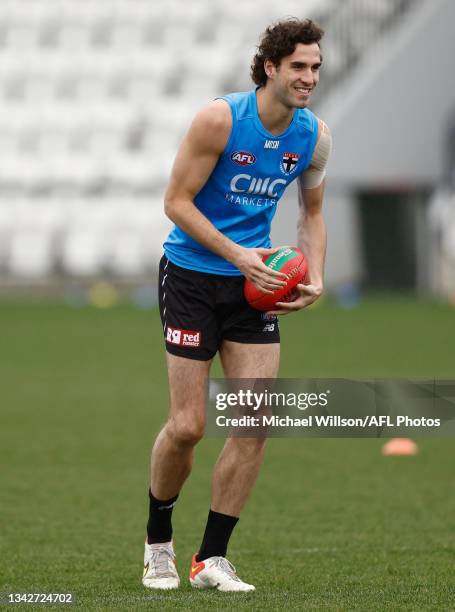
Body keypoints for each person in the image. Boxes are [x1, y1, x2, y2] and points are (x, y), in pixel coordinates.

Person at [142, 18, 332, 592]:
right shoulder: (220, 119)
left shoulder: (314, 136)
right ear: (270, 67)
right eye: (298, 66)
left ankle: (212, 559)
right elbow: (175, 202)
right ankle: (158, 545)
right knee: (189, 426)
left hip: (257, 289)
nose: (309, 77)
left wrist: (315, 275)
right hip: (194, 276)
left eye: (316, 67)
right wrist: (236, 253)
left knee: (254, 423)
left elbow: (312, 214)